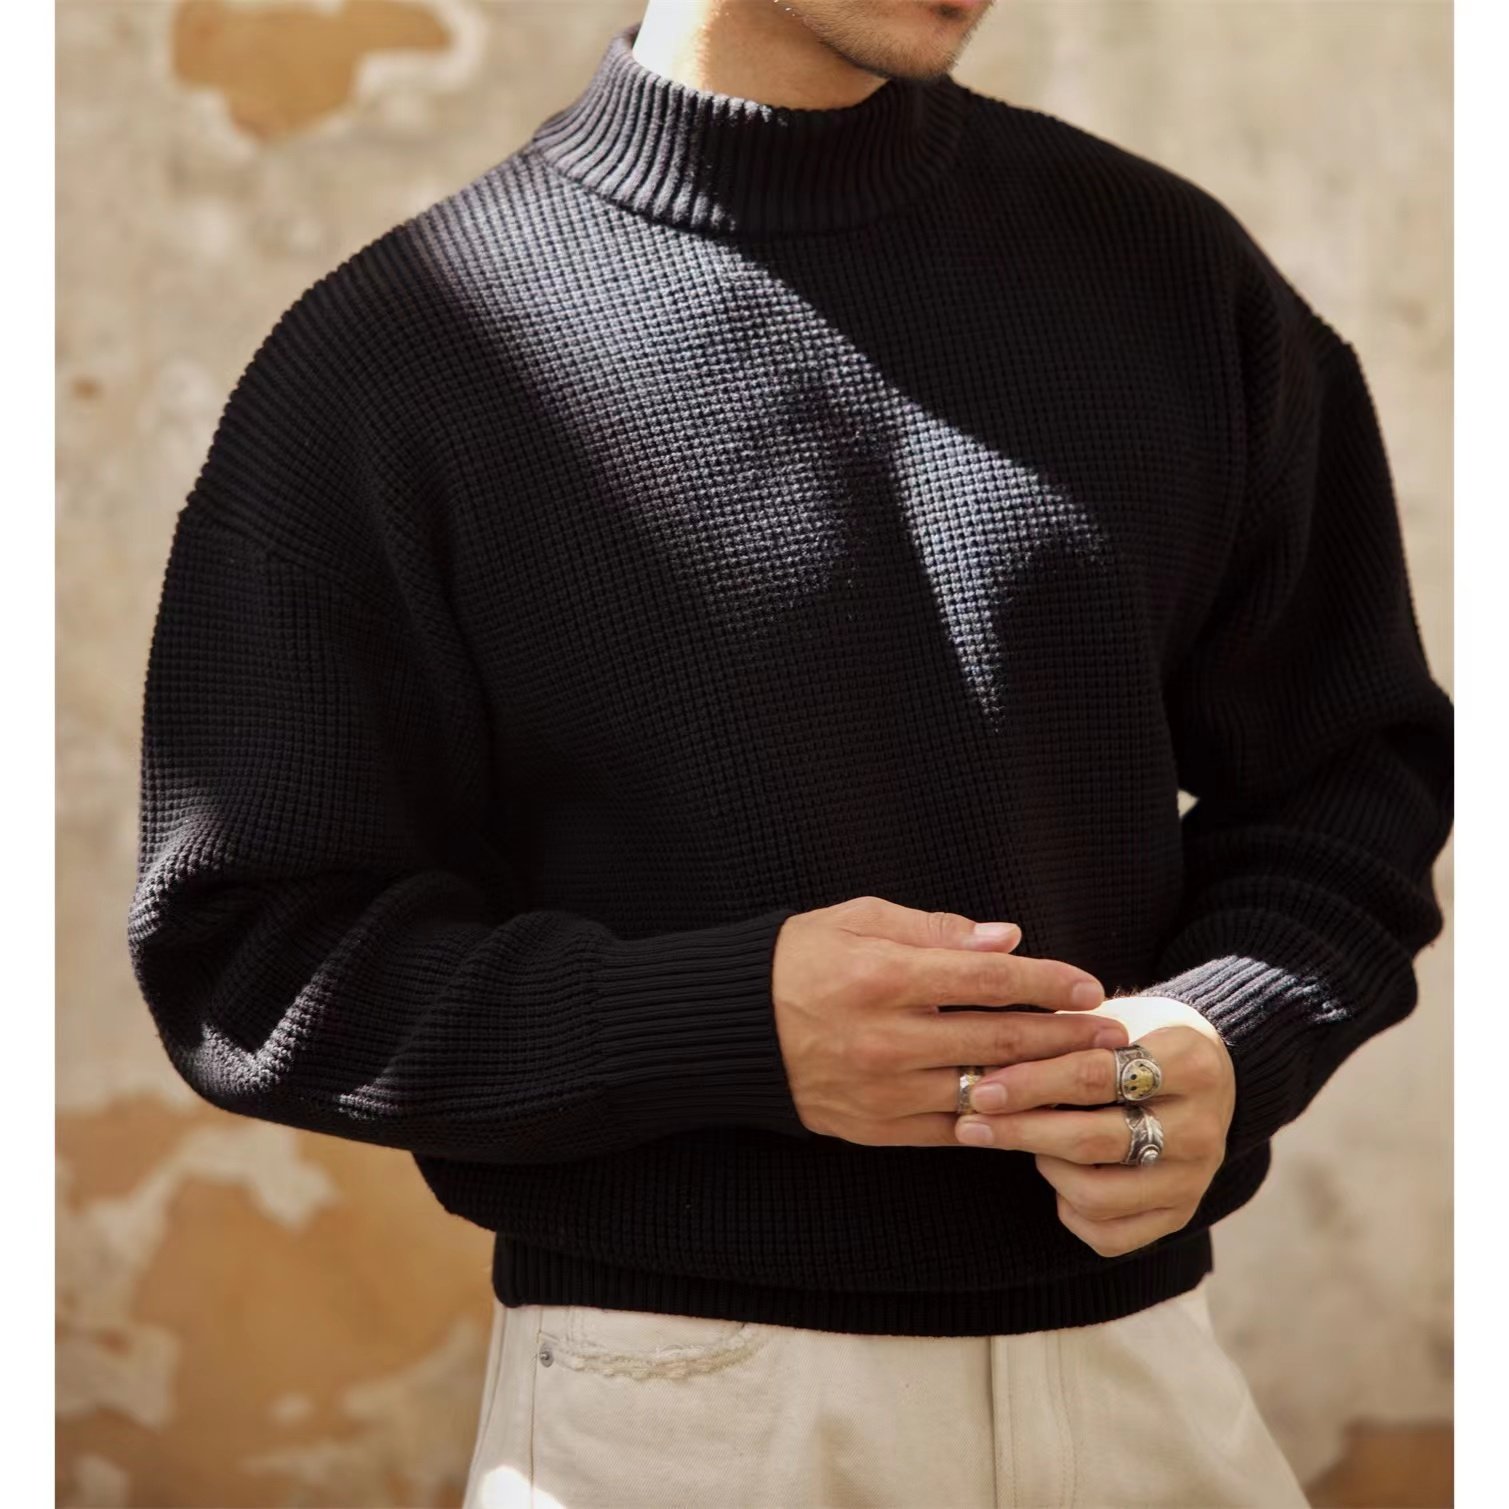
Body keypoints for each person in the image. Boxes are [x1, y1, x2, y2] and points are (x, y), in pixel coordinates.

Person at [126, 1, 1453, 1505]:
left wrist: (1225, 1033)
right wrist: (721, 1025)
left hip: (1143, 1372)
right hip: (678, 1413)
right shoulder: (398, 360)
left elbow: (1350, 778)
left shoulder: (1170, 275)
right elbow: (253, 956)